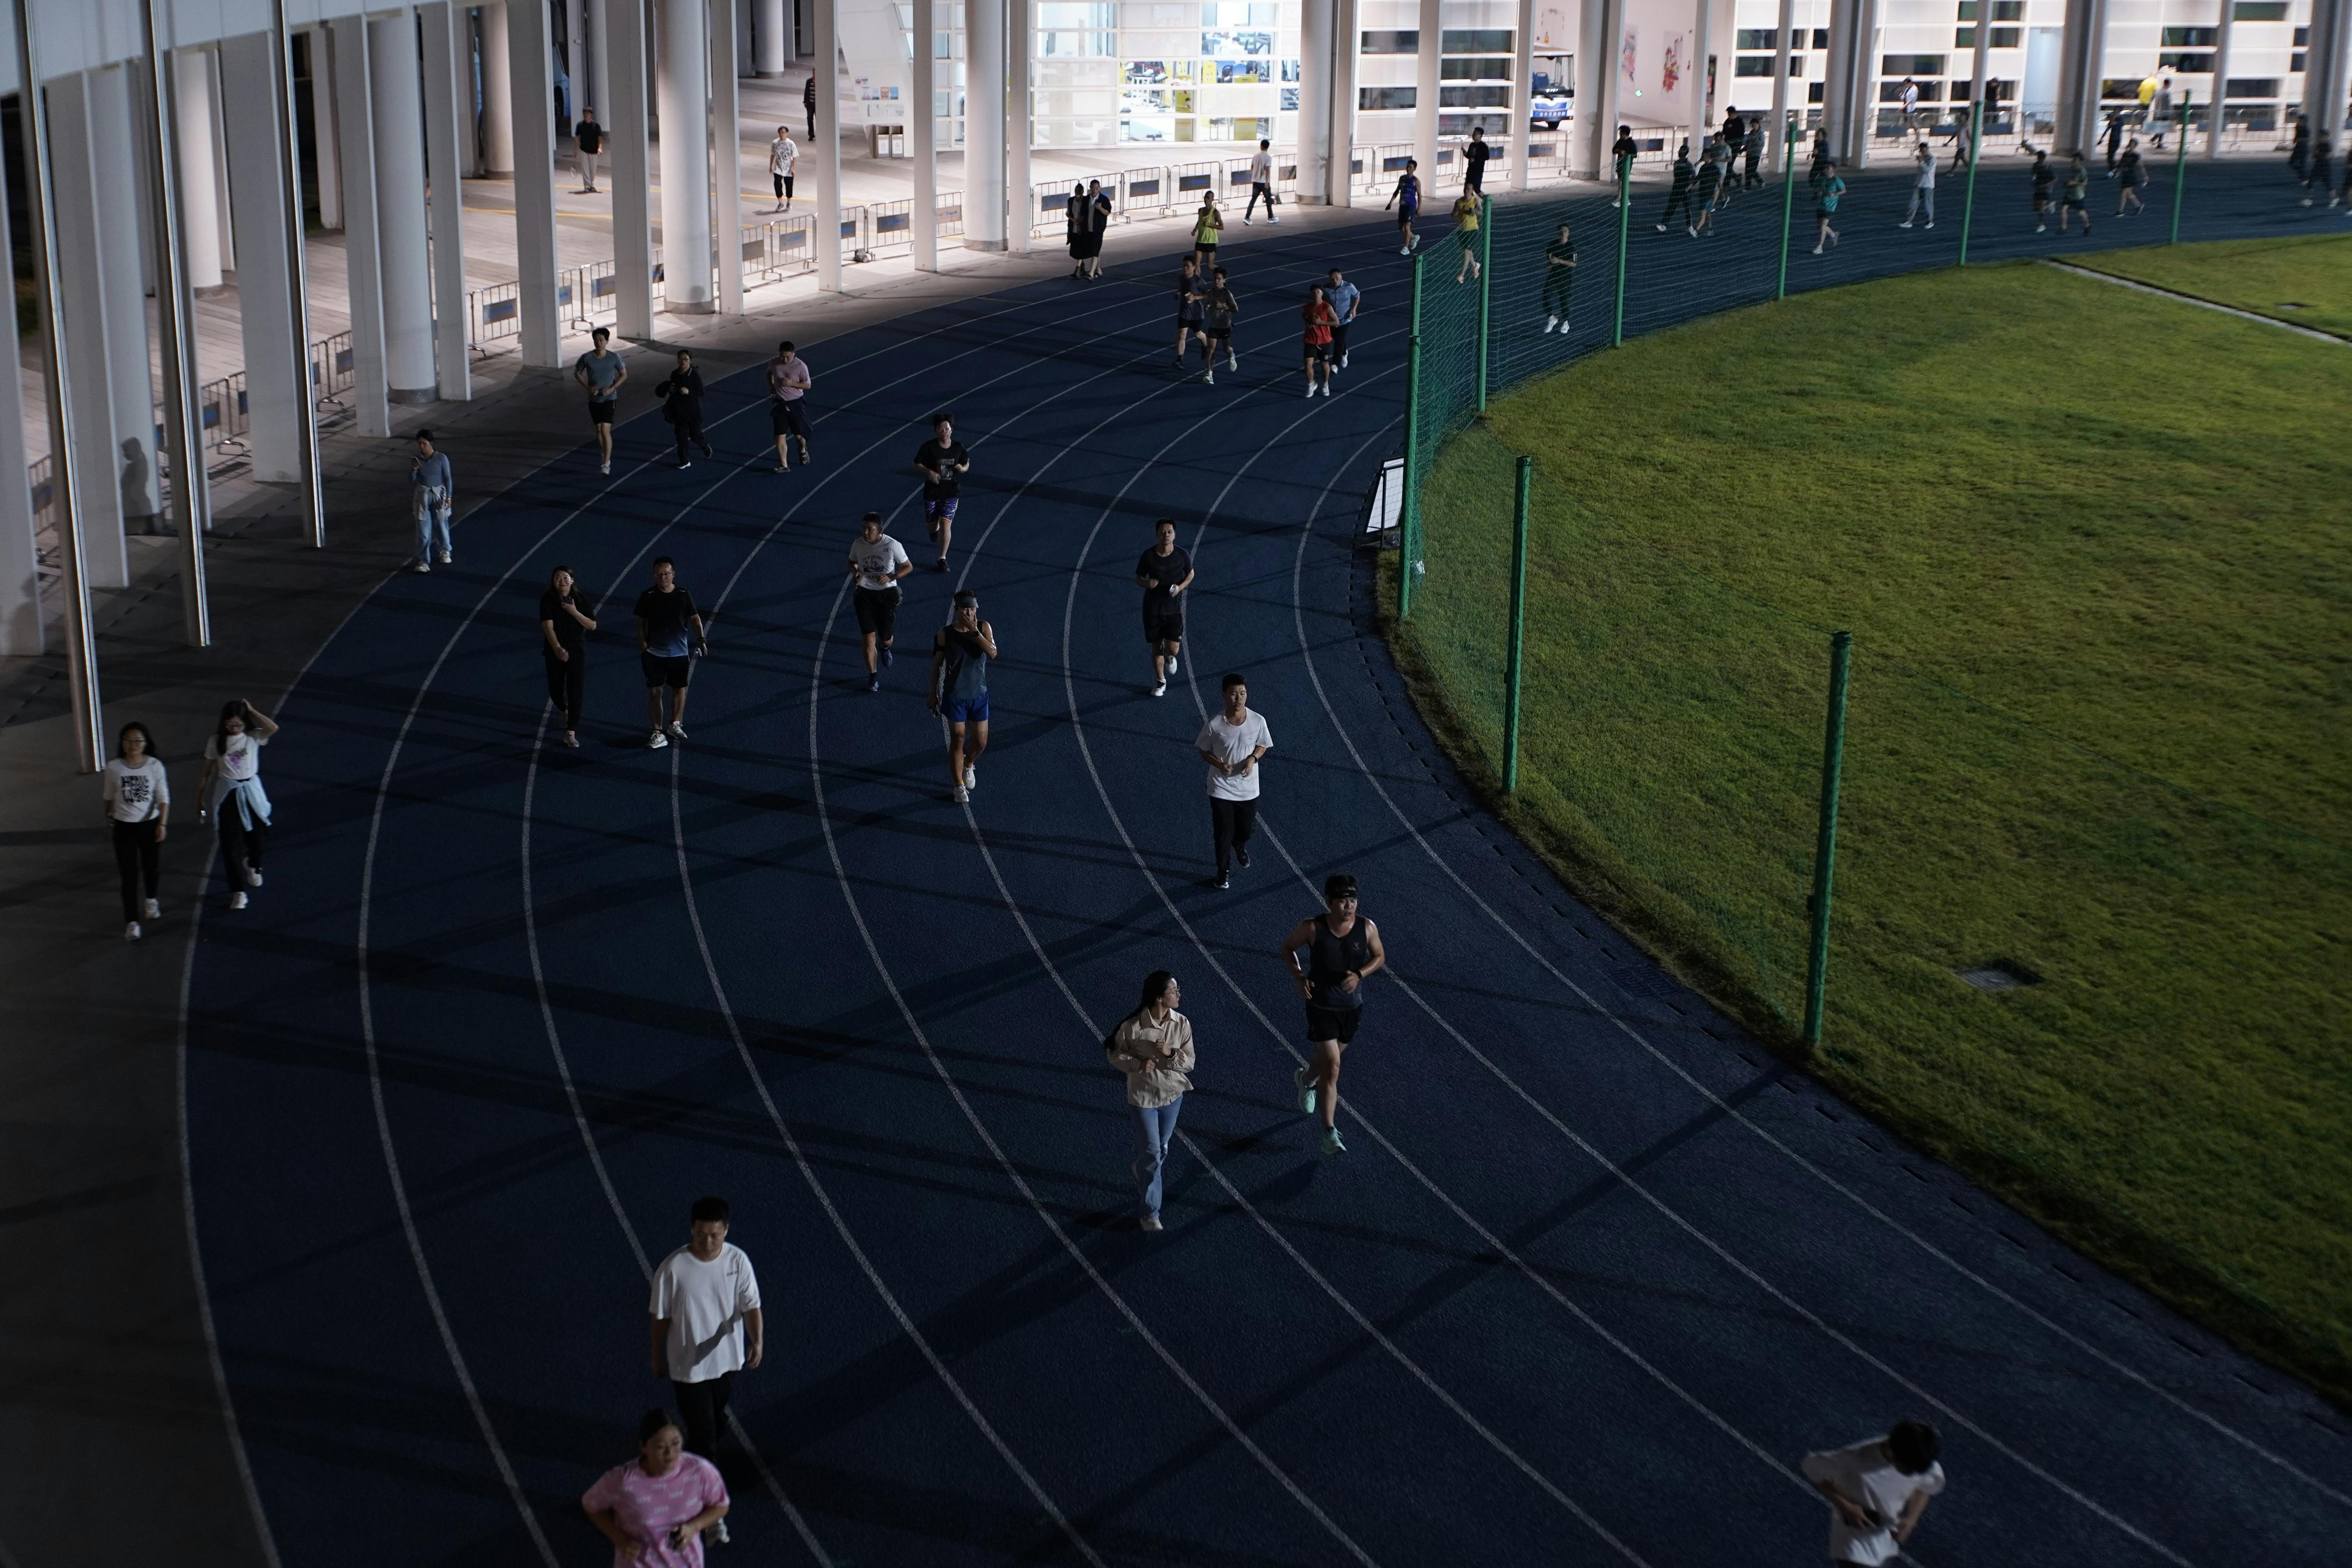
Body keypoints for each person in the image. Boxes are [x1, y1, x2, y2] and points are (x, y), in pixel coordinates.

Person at [648, 1196, 762, 1517]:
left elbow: (751, 1304)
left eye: (715, 1235)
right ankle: (708, 1502)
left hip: (726, 1360)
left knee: (717, 1415)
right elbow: (660, 1318)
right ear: (691, 1230)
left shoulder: (737, 1261)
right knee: (705, 1437)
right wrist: (657, 1357)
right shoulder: (673, 1268)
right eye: (701, 1234)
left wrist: (758, 1341)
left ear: (726, 1230)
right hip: (687, 1368)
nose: (708, 1241)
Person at [1279, 872, 1383, 1155]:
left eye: (1353, 900)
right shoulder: (1313, 928)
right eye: (1342, 901)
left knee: (1326, 1064)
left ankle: (1305, 1080)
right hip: (1321, 1006)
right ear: (1329, 902)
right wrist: (1299, 977)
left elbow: (1379, 957)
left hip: (1351, 1009)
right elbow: (1288, 948)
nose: (1349, 906)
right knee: (1334, 1068)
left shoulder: (1367, 928)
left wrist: (1360, 974)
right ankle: (1329, 1132)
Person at [583, 1409, 731, 1568]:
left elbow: (721, 1505)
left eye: (676, 1443)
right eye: (661, 1447)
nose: (670, 1453)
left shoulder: (700, 1471)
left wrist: (694, 1527)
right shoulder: (623, 1481)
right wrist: (620, 1541)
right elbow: (591, 1506)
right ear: (643, 1446)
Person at [1106, 970, 1194, 1232]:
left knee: (1161, 1150)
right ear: (1159, 998)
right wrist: (1137, 1064)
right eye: (1174, 991)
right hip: (1143, 1099)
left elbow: (1190, 1063)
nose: (1178, 995)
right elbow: (1114, 1054)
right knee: (1153, 1153)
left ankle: (1141, 1168)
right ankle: (1150, 1214)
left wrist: (1171, 1053)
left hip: (1173, 1096)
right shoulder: (1133, 1028)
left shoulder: (1182, 1024)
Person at [1802, 1419, 1945, 1567]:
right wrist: (1846, 1507)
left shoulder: (1921, 1457)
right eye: (1908, 1469)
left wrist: (1911, 1520)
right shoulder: (1855, 1460)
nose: (1912, 1474)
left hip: (1886, 1543)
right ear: (1894, 1451)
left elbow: (1925, 1487)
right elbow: (1811, 1468)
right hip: (1856, 1547)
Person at [198, 699, 277, 911]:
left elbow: (273, 728)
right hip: (227, 794)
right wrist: (200, 796)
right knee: (230, 845)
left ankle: (253, 863)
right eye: (230, 725)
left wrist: (251, 710)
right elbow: (208, 771)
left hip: (251, 791)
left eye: (239, 725)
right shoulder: (216, 741)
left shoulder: (253, 737)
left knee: (259, 839)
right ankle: (238, 891)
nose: (234, 729)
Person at [1196, 672, 1270, 889]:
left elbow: (1263, 745)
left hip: (1248, 787)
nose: (1239, 698)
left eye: (1243, 694)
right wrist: (1219, 765)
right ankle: (1223, 873)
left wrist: (1253, 759)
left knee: (1247, 829)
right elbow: (1203, 751)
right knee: (1222, 833)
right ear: (1224, 696)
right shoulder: (1215, 724)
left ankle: (1240, 844)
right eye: (1234, 694)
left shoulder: (1258, 721)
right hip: (1220, 787)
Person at [102, 720, 168, 941]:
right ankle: (132, 922)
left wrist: (162, 824)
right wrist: (108, 814)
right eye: (129, 740)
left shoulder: (155, 766)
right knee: (128, 876)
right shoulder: (114, 767)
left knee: (152, 868)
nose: (133, 745)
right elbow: (109, 795)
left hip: (149, 825)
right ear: (122, 743)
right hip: (124, 828)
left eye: (138, 740)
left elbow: (163, 798)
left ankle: (151, 899)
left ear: (146, 743)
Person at [928, 590, 995, 804]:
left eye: (973, 608)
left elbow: (993, 653)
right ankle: (958, 785)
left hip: (979, 695)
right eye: (965, 609)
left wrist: (975, 632)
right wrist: (933, 693)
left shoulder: (984, 628)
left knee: (981, 743)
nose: (969, 612)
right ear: (956, 610)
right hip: (955, 695)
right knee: (958, 739)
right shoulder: (945, 634)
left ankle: (968, 764)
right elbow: (937, 665)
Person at [635, 557, 705, 749]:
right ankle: (657, 733)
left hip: (679, 654)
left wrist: (701, 638)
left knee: (679, 689)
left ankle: (675, 724)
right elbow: (640, 621)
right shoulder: (648, 596)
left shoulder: (683, 594)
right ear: (654, 575)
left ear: (673, 574)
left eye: (666, 573)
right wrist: (643, 643)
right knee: (654, 692)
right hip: (654, 654)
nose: (663, 577)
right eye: (659, 574)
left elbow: (695, 618)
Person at [847, 511, 912, 693]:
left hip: (887, 595)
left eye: (870, 529)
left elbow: (908, 567)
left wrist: (892, 576)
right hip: (864, 595)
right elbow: (851, 562)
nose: (866, 533)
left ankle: (885, 648)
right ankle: (873, 677)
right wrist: (856, 572)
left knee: (886, 638)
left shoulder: (892, 545)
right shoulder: (858, 544)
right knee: (869, 638)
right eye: (863, 528)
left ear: (880, 530)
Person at [1135, 518, 1193, 695]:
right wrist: (1148, 584)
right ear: (1157, 534)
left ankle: (1170, 657)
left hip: (1173, 609)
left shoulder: (1182, 555)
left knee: (1173, 648)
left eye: (1169, 532)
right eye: (1162, 532)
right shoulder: (1149, 556)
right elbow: (1138, 578)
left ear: (1175, 535)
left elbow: (1190, 575)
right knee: (1156, 646)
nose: (1166, 535)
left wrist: (1180, 588)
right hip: (1152, 610)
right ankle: (1161, 681)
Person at [540, 566, 597, 747]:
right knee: (555, 690)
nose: (562, 581)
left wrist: (573, 611)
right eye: (558, 578)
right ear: (553, 581)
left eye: (566, 577)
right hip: (554, 652)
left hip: (576, 653)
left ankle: (571, 732)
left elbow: (592, 625)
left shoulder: (581, 600)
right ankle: (563, 710)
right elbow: (548, 627)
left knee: (576, 691)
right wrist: (557, 648)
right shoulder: (548, 600)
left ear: (572, 580)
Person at [913, 412, 969, 573]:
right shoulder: (928, 448)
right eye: (940, 429)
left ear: (952, 430)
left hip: (951, 491)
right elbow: (916, 464)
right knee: (932, 527)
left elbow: (966, 463)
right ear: (936, 431)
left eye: (946, 428)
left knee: (946, 524)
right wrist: (929, 472)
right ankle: (934, 531)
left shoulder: (959, 447)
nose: (944, 431)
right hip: (932, 492)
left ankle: (942, 559)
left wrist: (963, 469)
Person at [573, 327, 628, 474]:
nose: (599, 343)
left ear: (607, 341)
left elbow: (624, 374)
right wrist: (587, 387)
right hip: (594, 399)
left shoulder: (614, 358)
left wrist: (612, 389)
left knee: (605, 428)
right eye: (596, 340)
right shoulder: (587, 358)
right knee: (598, 430)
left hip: (609, 398)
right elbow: (577, 373)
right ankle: (604, 451)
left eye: (602, 340)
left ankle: (606, 463)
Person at [654, 351, 710, 469]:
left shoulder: (694, 375)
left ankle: (704, 445)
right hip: (679, 412)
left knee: (695, 436)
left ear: (690, 360)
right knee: (681, 437)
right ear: (677, 360)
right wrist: (671, 390)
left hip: (693, 412)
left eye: (686, 359)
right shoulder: (674, 374)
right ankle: (684, 461)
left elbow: (701, 392)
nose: (683, 362)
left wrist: (688, 392)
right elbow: (673, 390)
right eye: (681, 359)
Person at [766, 340, 813, 471]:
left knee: (799, 435)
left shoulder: (801, 366)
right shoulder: (774, 363)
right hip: (780, 404)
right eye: (782, 356)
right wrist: (771, 386)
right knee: (780, 435)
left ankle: (803, 449)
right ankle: (784, 465)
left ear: (794, 354)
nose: (785, 359)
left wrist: (791, 384)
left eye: (788, 357)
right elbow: (769, 373)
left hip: (796, 404)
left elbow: (808, 385)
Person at [410, 430, 453, 572]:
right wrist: (414, 470)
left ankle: (445, 550)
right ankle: (423, 560)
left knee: (441, 524)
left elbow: (447, 478)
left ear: (431, 443)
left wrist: (449, 497)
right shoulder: (417, 459)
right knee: (423, 531)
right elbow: (411, 480)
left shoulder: (441, 458)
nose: (422, 447)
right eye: (419, 444)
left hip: (438, 494)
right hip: (422, 496)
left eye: (424, 444)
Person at [1200, 265, 1240, 383]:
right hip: (1213, 325)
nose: (1217, 281)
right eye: (1215, 279)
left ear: (1224, 280)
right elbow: (1211, 301)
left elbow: (1236, 309)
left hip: (1225, 326)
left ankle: (1231, 355)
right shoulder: (1211, 292)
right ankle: (1210, 374)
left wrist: (1224, 306)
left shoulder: (1227, 294)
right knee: (1211, 350)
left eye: (1219, 279)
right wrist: (1208, 306)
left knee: (1226, 349)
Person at [1172, 254, 1211, 369]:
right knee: (1181, 336)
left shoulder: (1198, 281)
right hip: (1184, 312)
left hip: (1196, 314)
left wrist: (1195, 298)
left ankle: (1205, 343)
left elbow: (1208, 294)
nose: (1185, 268)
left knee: (1198, 334)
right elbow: (1182, 288)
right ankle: (1180, 359)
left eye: (1188, 266)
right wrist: (1178, 294)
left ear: (1194, 267)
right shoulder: (1181, 278)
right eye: (1184, 266)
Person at [1299, 284, 1337, 399]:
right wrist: (1307, 322)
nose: (1316, 294)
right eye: (1314, 292)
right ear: (1311, 294)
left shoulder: (1327, 307)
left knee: (1324, 364)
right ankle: (1311, 384)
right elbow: (1304, 316)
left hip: (1324, 340)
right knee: (1307, 364)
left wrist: (1321, 323)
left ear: (1322, 293)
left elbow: (1336, 322)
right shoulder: (1307, 307)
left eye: (1318, 292)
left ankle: (1325, 384)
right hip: (1310, 339)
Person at [1541, 222, 1576, 332]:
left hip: (1565, 277)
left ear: (1569, 233)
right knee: (1546, 297)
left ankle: (1566, 323)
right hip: (1553, 275)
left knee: (1563, 301)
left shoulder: (1571, 247)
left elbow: (1574, 263)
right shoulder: (1552, 245)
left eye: (1566, 231)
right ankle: (1552, 318)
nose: (1563, 233)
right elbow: (1549, 258)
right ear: (1558, 233)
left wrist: (1560, 261)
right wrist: (1549, 265)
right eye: (1561, 231)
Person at [1323, 267, 1359, 370]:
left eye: (1336, 277)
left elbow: (1357, 296)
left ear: (1341, 277)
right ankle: (1344, 352)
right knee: (1337, 338)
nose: (1334, 280)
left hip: (1345, 319)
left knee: (1339, 341)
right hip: (1332, 320)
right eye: (1332, 278)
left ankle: (1335, 363)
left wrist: (1354, 308)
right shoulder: (1325, 289)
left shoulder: (1349, 286)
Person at [1076, 179, 1113, 278]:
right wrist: (1079, 226)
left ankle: (1091, 273)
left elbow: (1108, 213)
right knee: (1093, 250)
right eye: (1093, 188)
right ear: (1090, 188)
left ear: (1099, 188)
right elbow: (1083, 214)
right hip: (1087, 229)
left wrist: (1100, 208)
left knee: (1095, 251)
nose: (1095, 190)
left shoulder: (1104, 199)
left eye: (1097, 188)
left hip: (1098, 230)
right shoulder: (1086, 199)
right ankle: (1098, 269)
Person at [1658, 142, 1696, 234]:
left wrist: (1689, 187)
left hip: (1685, 189)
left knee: (1687, 208)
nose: (1679, 153)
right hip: (1676, 188)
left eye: (1681, 151)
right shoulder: (1677, 163)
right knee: (1671, 207)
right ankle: (1664, 224)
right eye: (1679, 151)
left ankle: (1690, 226)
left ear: (1685, 153)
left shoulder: (1689, 165)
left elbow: (1694, 177)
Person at [1385, 158, 1421, 252]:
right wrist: (1391, 203)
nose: (1408, 169)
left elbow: (1420, 195)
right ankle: (1414, 237)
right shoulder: (1402, 179)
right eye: (1408, 166)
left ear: (1414, 169)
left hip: (1411, 206)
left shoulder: (1416, 181)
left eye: (1411, 167)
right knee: (1401, 228)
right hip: (1403, 205)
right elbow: (1397, 191)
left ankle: (1406, 248)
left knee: (1407, 227)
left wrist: (1419, 208)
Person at [1899, 139, 1936, 229]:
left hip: (1928, 185)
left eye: (1924, 150)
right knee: (1913, 203)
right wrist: (1916, 183)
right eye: (1922, 151)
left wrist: (1921, 162)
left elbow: (1928, 171)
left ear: (1928, 149)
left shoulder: (1932, 159)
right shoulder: (1922, 158)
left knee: (1928, 204)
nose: (1923, 152)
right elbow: (1920, 173)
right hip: (1919, 185)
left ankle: (1930, 221)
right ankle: (1909, 221)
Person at [1243, 137, 1281, 223]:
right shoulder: (1268, 157)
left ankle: (1247, 217)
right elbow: (1267, 170)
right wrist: (1267, 182)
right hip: (1264, 183)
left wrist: (1254, 177)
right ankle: (1271, 217)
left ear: (1261, 147)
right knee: (1268, 200)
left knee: (1253, 200)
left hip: (1256, 182)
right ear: (1268, 147)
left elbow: (1252, 167)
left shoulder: (1256, 156)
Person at [1690, 139, 1723, 236]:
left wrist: (1722, 195)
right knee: (1707, 213)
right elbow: (1698, 179)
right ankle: (1710, 229)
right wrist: (1690, 186)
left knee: (1703, 214)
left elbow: (1720, 182)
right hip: (1703, 193)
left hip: (1709, 194)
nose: (1702, 157)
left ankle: (1696, 230)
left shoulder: (1715, 168)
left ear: (1708, 156)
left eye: (1703, 155)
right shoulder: (1703, 168)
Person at [1450, 188, 1483, 281]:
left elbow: (1481, 212)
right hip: (1462, 230)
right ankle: (1475, 266)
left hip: (1472, 229)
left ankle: (1462, 274)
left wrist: (1472, 210)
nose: (1467, 191)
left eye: (1469, 189)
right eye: (1466, 189)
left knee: (1466, 252)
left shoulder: (1475, 201)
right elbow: (1453, 214)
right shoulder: (1459, 201)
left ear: (1473, 190)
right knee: (1467, 251)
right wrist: (1456, 212)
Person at [1811, 164, 1845, 253]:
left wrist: (1835, 194)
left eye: (1828, 168)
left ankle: (1820, 247)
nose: (1826, 170)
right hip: (1821, 205)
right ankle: (1833, 234)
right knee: (1820, 227)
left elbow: (1844, 191)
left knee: (1823, 226)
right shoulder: (1822, 179)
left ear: (1833, 170)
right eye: (1826, 168)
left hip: (1830, 207)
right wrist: (1818, 191)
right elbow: (1816, 187)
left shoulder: (1837, 180)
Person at [2058, 153, 2092, 234]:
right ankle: (2064, 228)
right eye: (2074, 160)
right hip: (2069, 193)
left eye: (2076, 160)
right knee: (2063, 210)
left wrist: (2073, 183)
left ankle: (2087, 225)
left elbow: (2084, 183)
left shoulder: (2083, 171)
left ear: (2080, 161)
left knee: (2081, 212)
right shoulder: (2073, 169)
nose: (2074, 162)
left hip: (2078, 195)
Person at [1190, 192, 1223, 268]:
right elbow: (1200, 221)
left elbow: (1222, 227)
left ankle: (1221, 273)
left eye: (1208, 198)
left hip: (1210, 241)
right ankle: (1197, 280)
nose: (1206, 199)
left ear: (1212, 200)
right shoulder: (1200, 211)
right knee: (1196, 264)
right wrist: (1195, 230)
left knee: (1210, 265)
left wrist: (1210, 225)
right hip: (1200, 240)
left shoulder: (1215, 213)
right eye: (1205, 198)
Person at [574, 107, 604, 192]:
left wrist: (600, 148)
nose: (586, 115)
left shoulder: (596, 126)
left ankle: (591, 183)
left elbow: (600, 138)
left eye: (587, 113)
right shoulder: (580, 125)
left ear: (591, 115)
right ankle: (588, 186)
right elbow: (577, 137)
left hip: (594, 151)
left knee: (593, 170)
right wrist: (576, 149)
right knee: (585, 169)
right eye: (585, 113)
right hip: (584, 150)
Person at [1064, 181, 1091, 275]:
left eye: (1080, 191)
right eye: (1077, 191)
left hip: (1082, 228)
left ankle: (1078, 269)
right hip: (1073, 228)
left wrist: (1079, 222)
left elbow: (1086, 214)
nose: (1078, 193)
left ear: (1083, 192)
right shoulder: (1071, 201)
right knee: (1077, 249)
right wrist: (1074, 221)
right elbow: (1068, 213)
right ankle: (1082, 266)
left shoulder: (1086, 201)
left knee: (1081, 248)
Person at [768, 125, 798, 211]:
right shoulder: (775, 143)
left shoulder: (791, 144)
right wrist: (771, 166)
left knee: (789, 186)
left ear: (787, 134)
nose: (782, 135)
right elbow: (773, 154)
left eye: (783, 133)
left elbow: (795, 157)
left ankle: (789, 203)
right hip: (778, 168)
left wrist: (793, 168)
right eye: (780, 133)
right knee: (777, 184)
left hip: (788, 169)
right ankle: (781, 202)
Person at [2116, 138, 2146, 215]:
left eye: (2133, 144)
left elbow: (2141, 167)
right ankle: (2138, 206)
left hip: (2131, 176)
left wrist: (2145, 176)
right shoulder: (2125, 154)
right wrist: (2117, 170)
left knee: (2124, 193)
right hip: (2125, 175)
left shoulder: (2136, 156)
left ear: (2135, 146)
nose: (2131, 145)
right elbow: (2121, 163)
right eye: (2131, 144)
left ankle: (2121, 211)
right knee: (2129, 194)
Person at [1609, 125, 1637, 205]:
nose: (1620, 134)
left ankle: (1620, 199)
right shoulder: (1620, 142)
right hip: (1620, 164)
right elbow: (1614, 150)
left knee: (1622, 182)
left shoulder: (1631, 143)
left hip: (1627, 165)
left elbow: (1634, 154)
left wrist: (1626, 153)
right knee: (1622, 182)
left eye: (1621, 133)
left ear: (1624, 134)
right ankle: (1625, 199)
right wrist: (1619, 151)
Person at [2030, 146, 2055, 232]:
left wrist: (2046, 185)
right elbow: (2033, 175)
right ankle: (2049, 206)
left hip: (2047, 190)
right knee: (2036, 208)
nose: (2040, 160)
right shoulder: (2036, 165)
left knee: (2041, 208)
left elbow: (2055, 179)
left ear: (2044, 158)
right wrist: (2033, 181)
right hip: (2038, 188)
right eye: (2039, 158)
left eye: (2041, 159)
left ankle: (2042, 225)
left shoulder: (2049, 167)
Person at [1461, 125, 1490, 194]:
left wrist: (1475, 159)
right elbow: (1470, 156)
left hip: (1478, 171)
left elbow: (1487, 157)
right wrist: (1466, 154)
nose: (1473, 135)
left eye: (1475, 134)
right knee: (1468, 189)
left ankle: (1487, 201)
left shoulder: (1483, 146)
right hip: (1470, 170)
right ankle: (1473, 203)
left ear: (1480, 136)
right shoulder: (1472, 145)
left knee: (1477, 189)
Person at [803, 71, 816, 138]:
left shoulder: (821, 82)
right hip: (811, 104)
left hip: (818, 105)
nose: (815, 75)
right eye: (814, 73)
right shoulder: (809, 81)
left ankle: (821, 133)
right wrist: (805, 102)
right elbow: (806, 92)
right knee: (809, 119)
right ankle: (811, 134)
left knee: (819, 120)